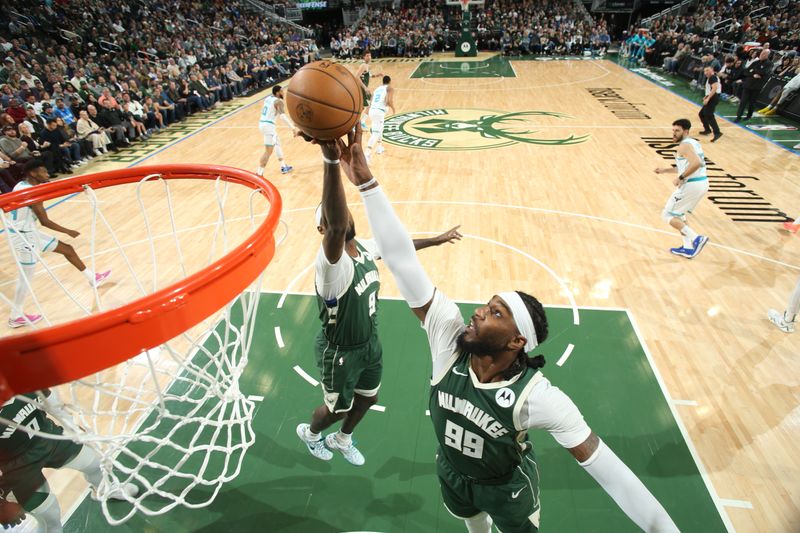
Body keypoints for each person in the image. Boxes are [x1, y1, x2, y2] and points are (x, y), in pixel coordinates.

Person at [321, 125, 678, 532]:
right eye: (486, 306)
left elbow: (611, 473)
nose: (477, 313)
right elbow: (402, 261)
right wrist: (366, 183)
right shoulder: (448, 340)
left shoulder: (537, 397)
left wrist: (664, 530)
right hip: (453, 473)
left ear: (517, 340)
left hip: (506, 487)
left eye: (494, 312)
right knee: (472, 522)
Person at [296, 140, 462, 465]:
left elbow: (396, 247)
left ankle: (343, 439)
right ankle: (311, 433)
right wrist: (330, 162)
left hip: (369, 343)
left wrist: (436, 239)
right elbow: (337, 227)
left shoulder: (364, 247)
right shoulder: (331, 267)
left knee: (369, 398)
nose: (342, 217)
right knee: (335, 408)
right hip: (339, 352)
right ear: (323, 228)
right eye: (334, 217)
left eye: (343, 213)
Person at [0, 390, 138, 532]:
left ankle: (105, 489)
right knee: (50, 516)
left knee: (94, 463)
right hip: (17, 468)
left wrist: (72, 426)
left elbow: (48, 398)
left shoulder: (18, 377)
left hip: (48, 437)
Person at [6, 160, 111, 328]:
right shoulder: (30, 193)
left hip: (29, 232)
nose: (47, 174)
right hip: (23, 237)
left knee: (67, 249)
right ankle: (15, 316)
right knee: (25, 278)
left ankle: (92, 278)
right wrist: (68, 231)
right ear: (33, 174)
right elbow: (44, 221)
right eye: (44, 172)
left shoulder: (22, 184)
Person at [654, 119, 709, 259]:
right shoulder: (694, 143)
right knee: (680, 215)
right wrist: (665, 170)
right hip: (701, 183)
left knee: (667, 215)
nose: (674, 133)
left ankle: (697, 238)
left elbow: (697, 163)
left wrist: (681, 177)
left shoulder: (684, 146)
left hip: (692, 184)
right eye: (673, 130)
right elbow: (686, 166)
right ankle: (687, 247)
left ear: (686, 131)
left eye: (677, 131)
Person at [257, 85, 297, 177]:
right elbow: (282, 116)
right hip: (268, 125)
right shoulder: (279, 102)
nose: (283, 92)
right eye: (282, 91)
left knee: (277, 142)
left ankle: (283, 166)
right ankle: (259, 173)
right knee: (268, 151)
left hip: (262, 123)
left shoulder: (268, 98)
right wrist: (292, 128)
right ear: (277, 92)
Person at [734, 49, 773, 123]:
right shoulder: (755, 62)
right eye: (762, 53)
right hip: (748, 84)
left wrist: (754, 71)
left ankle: (749, 115)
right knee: (743, 101)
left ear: (767, 55)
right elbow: (746, 72)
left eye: (764, 54)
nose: (762, 55)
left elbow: (764, 72)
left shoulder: (769, 64)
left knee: (752, 102)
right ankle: (738, 116)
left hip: (757, 87)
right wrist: (754, 74)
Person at [365, 76, 395, 164]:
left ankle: (379, 147)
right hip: (379, 112)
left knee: (380, 128)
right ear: (389, 82)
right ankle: (367, 154)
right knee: (375, 134)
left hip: (372, 111)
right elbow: (388, 101)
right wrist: (393, 109)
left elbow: (371, 102)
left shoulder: (377, 89)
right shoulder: (389, 88)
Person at [698, 66, 722, 142]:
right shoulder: (711, 77)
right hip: (712, 96)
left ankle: (717, 132)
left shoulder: (712, 77)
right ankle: (707, 130)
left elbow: (714, 88)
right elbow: (711, 89)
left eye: (707, 70)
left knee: (709, 115)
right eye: (704, 71)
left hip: (713, 97)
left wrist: (708, 98)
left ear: (712, 70)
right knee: (702, 114)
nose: (705, 72)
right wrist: (706, 96)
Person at [355, 52, 373, 128]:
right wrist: (365, 88)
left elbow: (368, 75)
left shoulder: (367, 66)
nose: (369, 57)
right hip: (362, 88)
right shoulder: (363, 65)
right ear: (364, 57)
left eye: (370, 55)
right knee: (370, 103)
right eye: (367, 56)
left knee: (361, 107)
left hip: (363, 88)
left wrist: (378, 75)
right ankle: (360, 123)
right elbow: (356, 76)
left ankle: (357, 123)